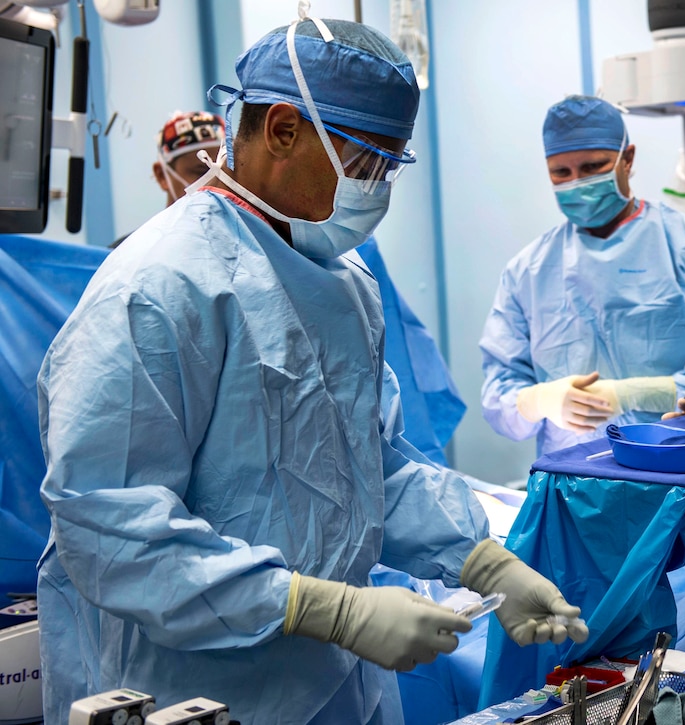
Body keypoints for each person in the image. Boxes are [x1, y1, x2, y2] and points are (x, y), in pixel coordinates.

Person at [36, 15, 586, 725]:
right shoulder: (156, 288)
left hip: (335, 685)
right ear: (284, 130)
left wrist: (483, 561)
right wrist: (318, 605)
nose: (378, 187)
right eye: (367, 163)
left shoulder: (343, 283)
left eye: (390, 166)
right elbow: (110, 527)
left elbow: (372, 470)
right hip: (192, 694)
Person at [480, 95, 685, 565]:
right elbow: (498, 394)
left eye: (594, 166)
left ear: (628, 158)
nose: (578, 183)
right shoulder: (529, 272)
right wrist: (539, 400)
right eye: (562, 172)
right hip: (582, 503)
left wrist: (641, 393)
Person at [110, 111, 227, 249]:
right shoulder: (128, 253)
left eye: (225, 173)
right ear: (162, 176)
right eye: (202, 172)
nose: (218, 185)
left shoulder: (244, 247)